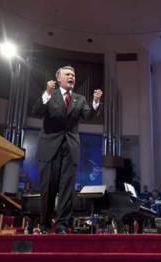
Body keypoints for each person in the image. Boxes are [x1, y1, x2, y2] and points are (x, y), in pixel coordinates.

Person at [32, 65, 103, 234]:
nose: (72, 76)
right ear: (59, 78)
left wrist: (95, 102)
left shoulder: (80, 99)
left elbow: (88, 115)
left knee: (67, 188)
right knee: (48, 186)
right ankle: (44, 224)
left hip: (70, 147)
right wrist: (47, 93)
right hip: (49, 146)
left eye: (74, 74)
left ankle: (62, 225)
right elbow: (37, 111)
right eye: (68, 74)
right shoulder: (51, 95)